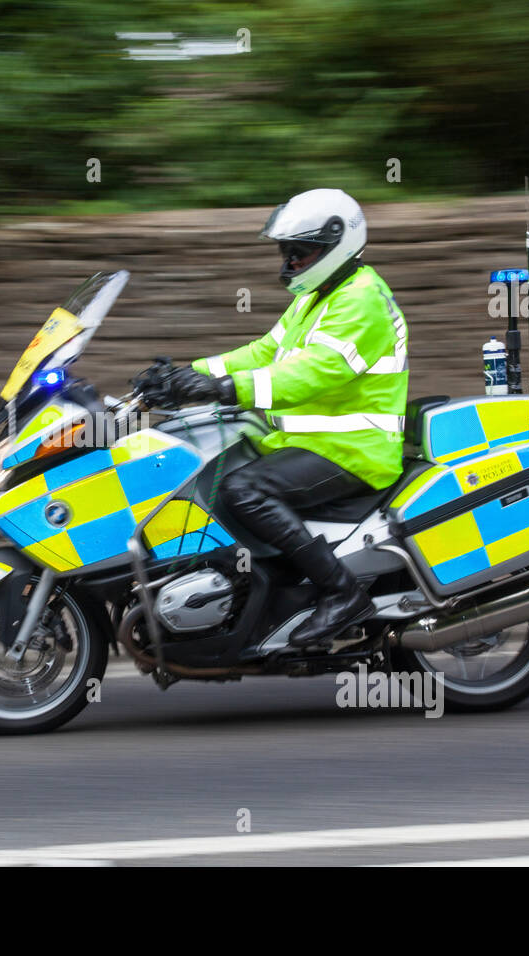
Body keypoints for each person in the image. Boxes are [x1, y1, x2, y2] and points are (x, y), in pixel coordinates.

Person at [153, 188, 409, 647]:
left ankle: (342, 592)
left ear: (336, 244)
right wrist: (185, 375)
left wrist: (226, 389)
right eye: (285, 252)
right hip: (306, 444)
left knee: (243, 490)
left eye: (300, 252)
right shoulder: (316, 298)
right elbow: (264, 352)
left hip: (353, 450)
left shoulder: (361, 299)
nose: (289, 263)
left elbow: (312, 373)